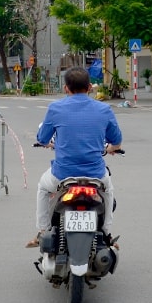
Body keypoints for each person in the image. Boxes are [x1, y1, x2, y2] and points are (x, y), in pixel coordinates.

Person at [27, 66, 123, 248]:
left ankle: (43, 231)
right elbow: (117, 142)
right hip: (95, 175)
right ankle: (107, 232)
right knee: (108, 190)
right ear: (89, 87)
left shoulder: (55, 108)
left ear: (66, 88)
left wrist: (49, 143)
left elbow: (42, 138)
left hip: (62, 175)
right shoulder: (104, 109)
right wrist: (111, 148)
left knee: (42, 188)